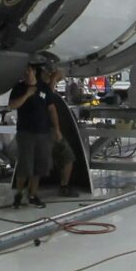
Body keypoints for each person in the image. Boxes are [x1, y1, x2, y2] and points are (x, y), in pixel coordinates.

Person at [8, 64, 53, 209]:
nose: (27, 73)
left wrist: (56, 128)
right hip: (26, 133)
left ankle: (33, 194)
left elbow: (51, 108)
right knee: (25, 165)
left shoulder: (43, 88)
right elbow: (13, 105)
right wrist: (27, 94)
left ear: (34, 71)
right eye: (24, 70)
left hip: (42, 132)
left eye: (29, 70)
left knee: (39, 166)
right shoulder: (19, 88)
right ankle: (19, 193)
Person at [45, 68, 78, 197]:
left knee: (67, 156)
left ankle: (64, 185)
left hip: (51, 131)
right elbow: (49, 96)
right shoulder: (42, 90)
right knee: (67, 156)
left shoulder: (46, 91)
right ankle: (63, 185)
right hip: (47, 131)